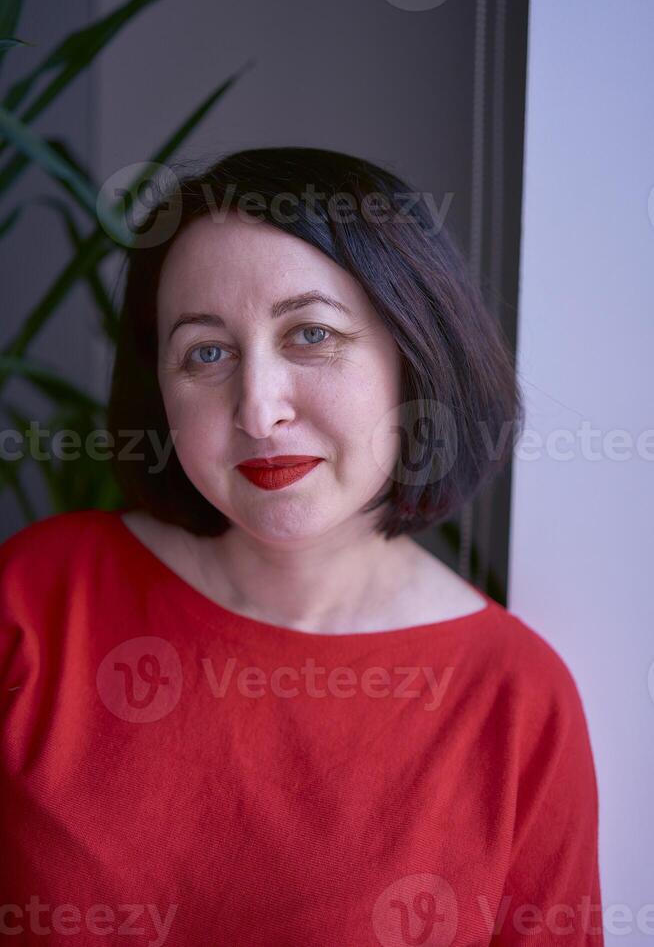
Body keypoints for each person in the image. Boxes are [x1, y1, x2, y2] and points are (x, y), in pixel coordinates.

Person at [0, 147, 604, 946]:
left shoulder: (516, 701)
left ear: (415, 360)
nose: (258, 409)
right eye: (205, 353)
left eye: (311, 334)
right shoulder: (37, 600)